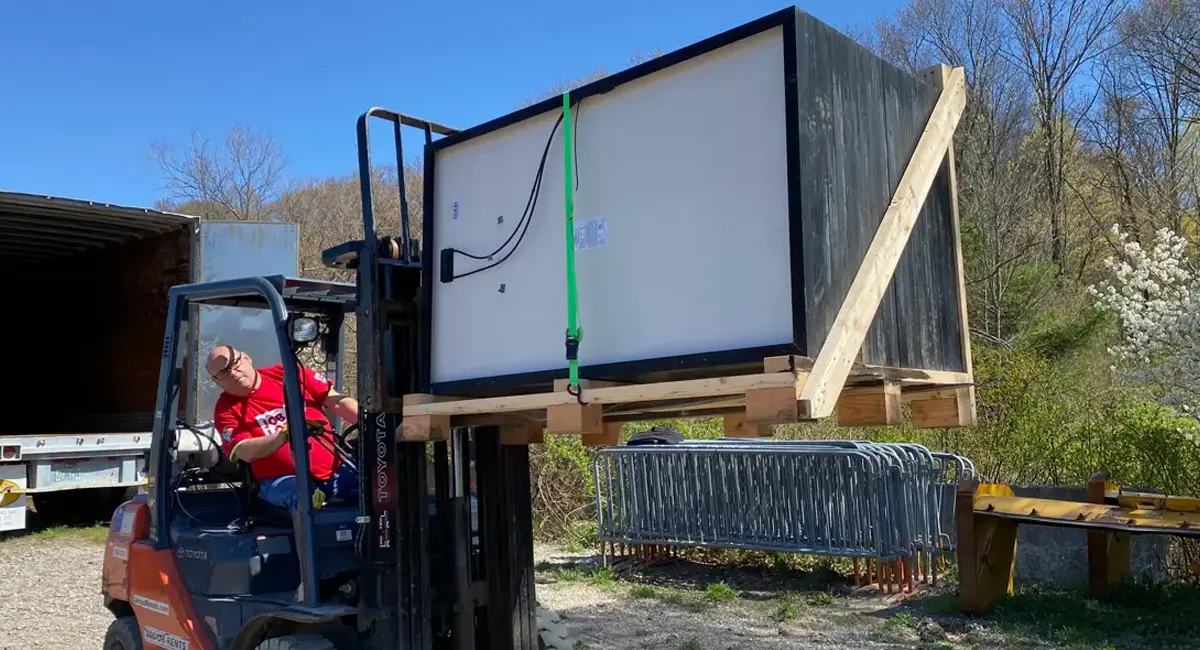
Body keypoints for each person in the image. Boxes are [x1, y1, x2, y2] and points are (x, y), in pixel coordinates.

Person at [206, 344, 359, 513]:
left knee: (382, 484)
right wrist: (285, 435)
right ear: (217, 382)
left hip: (336, 469)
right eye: (223, 373)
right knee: (302, 498)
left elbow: (336, 401)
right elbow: (244, 451)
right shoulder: (225, 410)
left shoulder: (289, 375)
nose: (233, 373)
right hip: (281, 481)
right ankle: (311, 536)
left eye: (234, 364)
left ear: (247, 358)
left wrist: (374, 421)